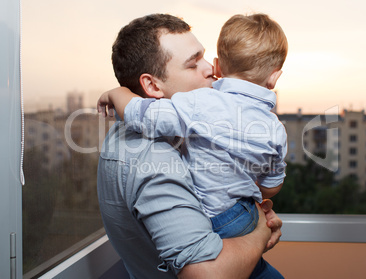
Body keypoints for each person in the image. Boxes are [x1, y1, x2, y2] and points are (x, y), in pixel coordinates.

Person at [98, 13, 287, 278]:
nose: (211, 68)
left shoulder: (185, 133)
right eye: (192, 63)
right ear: (152, 85)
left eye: (205, 56)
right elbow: (206, 275)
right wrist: (258, 231)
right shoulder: (152, 157)